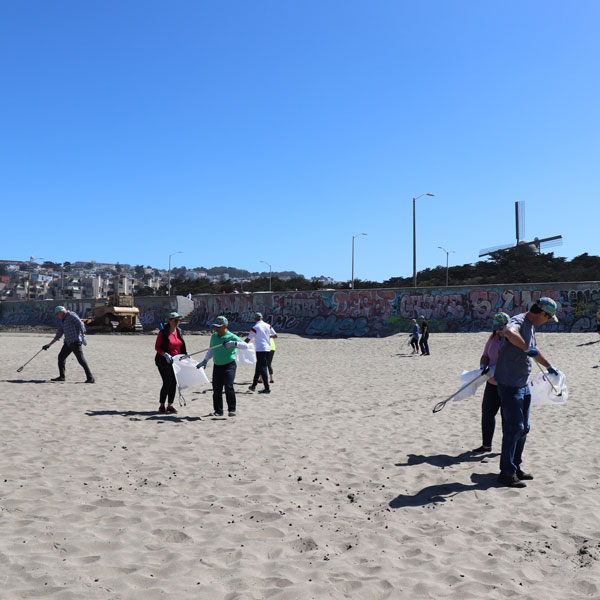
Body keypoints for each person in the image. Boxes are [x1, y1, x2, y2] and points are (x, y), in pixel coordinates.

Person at [494, 297, 560, 488]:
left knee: (524, 428)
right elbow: (509, 332)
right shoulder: (519, 320)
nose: (547, 321)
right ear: (542, 313)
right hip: (509, 384)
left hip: (523, 384)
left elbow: (534, 348)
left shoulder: (531, 325)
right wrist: (525, 348)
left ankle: (515, 467)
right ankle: (506, 473)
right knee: (514, 427)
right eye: (548, 318)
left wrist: (549, 366)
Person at [472, 312, 510, 453]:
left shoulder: (512, 339)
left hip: (508, 385)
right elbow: (485, 356)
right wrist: (483, 366)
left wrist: (497, 369)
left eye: (501, 328)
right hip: (492, 384)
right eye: (496, 328)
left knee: (507, 418)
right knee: (487, 415)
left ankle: (507, 447)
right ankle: (486, 445)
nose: (498, 330)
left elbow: (514, 361)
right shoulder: (493, 338)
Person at [196, 316, 249, 417]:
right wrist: (205, 360)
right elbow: (211, 349)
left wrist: (233, 343)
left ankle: (232, 409)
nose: (216, 329)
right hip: (217, 365)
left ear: (225, 326)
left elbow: (246, 346)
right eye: (215, 327)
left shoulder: (231, 336)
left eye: (219, 327)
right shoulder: (214, 336)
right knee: (216, 389)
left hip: (229, 365)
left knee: (228, 386)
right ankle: (218, 411)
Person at [42, 305, 95, 383]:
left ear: (61, 312)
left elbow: (80, 323)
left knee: (81, 359)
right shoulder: (63, 320)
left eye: (57, 314)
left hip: (75, 341)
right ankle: (62, 377)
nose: (57, 316)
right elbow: (59, 333)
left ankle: (90, 378)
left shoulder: (70, 315)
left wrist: (83, 334)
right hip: (68, 343)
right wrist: (49, 344)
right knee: (61, 357)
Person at [154, 311, 187, 414]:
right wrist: (165, 354)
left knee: (174, 382)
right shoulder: (163, 332)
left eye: (179, 320)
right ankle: (161, 405)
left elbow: (181, 346)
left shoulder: (179, 331)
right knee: (167, 381)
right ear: (169, 321)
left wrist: (185, 355)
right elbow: (157, 347)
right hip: (163, 360)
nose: (178, 322)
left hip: (176, 361)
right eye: (175, 320)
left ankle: (170, 405)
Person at [245, 312, 277, 394]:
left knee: (263, 368)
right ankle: (253, 385)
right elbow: (275, 335)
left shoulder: (255, 327)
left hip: (260, 349)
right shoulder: (268, 325)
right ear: (262, 318)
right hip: (268, 349)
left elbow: (248, 339)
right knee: (258, 367)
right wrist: (268, 337)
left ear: (255, 319)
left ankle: (267, 388)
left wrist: (240, 344)